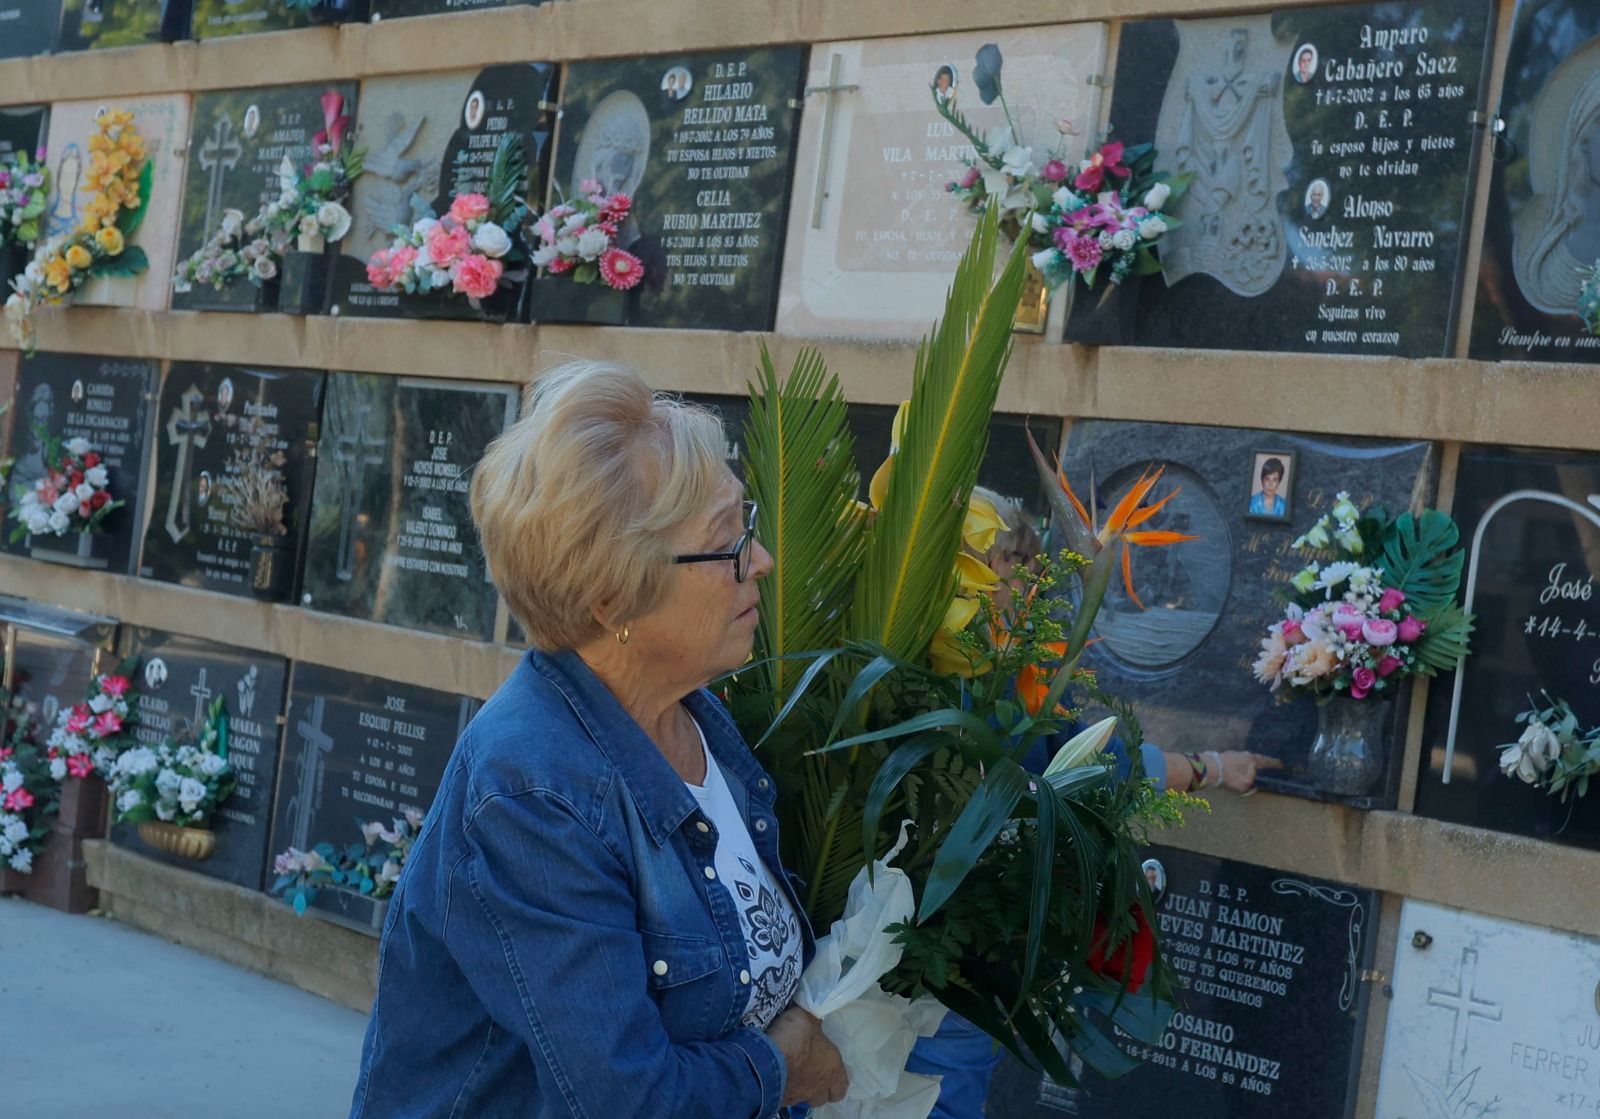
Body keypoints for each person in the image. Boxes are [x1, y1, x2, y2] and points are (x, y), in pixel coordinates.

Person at [350, 361, 848, 1118]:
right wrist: (782, 1067)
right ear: (613, 594)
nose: (764, 560)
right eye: (728, 541)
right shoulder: (532, 792)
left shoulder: (696, 717)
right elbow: (625, 1098)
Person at [903, 487, 1280, 1119]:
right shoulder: (970, 676)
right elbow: (1088, 763)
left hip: (942, 954)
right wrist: (1207, 769)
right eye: (1011, 562)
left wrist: (1207, 767)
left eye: (1029, 564)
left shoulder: (1001, 668)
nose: (1028, 582)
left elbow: (1089, 755)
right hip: (940, 956)